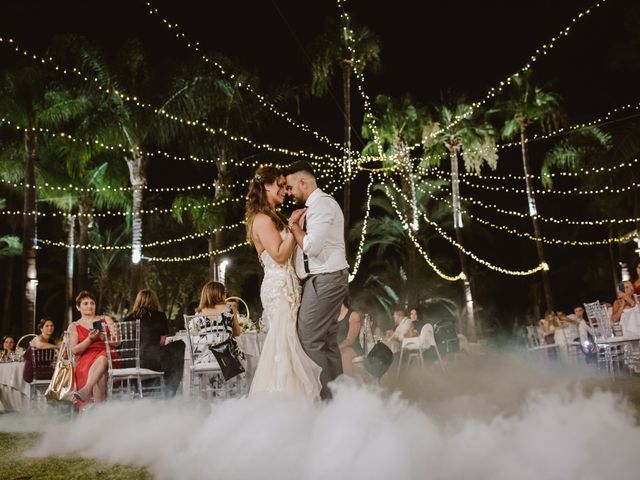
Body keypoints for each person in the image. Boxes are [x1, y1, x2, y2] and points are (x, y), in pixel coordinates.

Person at [246, 165, 321, 397]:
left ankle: (292, 398)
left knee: (290, 344)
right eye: (280, 185)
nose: (285, 191)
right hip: (278, 289)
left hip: (288, 286)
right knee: (283, 346)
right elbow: (279, 255)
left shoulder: (272, 217)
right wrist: (292, 225)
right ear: (266, 186)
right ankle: (283, 400)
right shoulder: (261, 219)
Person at [286, 160, 350, 400]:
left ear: (303, 182)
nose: (290, 192)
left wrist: (293, 226)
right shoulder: (316, 206)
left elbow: (311, 247)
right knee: (326, 339)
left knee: (309, 337)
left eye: (291, 187)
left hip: (326, 278)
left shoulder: (321, 204)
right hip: (324, 277)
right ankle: (337, 398)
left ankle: (324, 400)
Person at [127, 289, 185, 397]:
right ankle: (169, 392)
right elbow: (162, 341)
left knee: (165, 358)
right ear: (154, 301)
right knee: (180, 346)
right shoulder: (159, 316)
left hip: (131, 361)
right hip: (152, 358)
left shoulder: (129, 317)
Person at [68, 290, 118, 407]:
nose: (89, 306)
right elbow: (74, 350)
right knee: (100, 374)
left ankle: (87, 388)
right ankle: (101, 412)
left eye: (92, 303)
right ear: (78, 307)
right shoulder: (74, 326)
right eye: (85, 303)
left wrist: (105, 338)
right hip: (86, 358)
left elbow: (117, 343)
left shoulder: (106, 319)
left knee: (102, 358)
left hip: (108, 354)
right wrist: (89, 339)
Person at [23, 318, 58, 383]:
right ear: (41, 329)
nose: (50, 328)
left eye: (52, 326)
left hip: (46, 370)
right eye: (47, 326)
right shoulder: (37, 338)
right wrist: (57, 347)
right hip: (32, 372)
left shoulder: (52, 341)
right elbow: (40, 345)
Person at [337, 301, 363, 376]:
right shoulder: (332, 316)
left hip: (352, 347)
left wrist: (336, 348)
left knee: (344, 355)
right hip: (336, 347)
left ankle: (347, 383)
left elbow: (350, 340)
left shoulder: (354, 315)